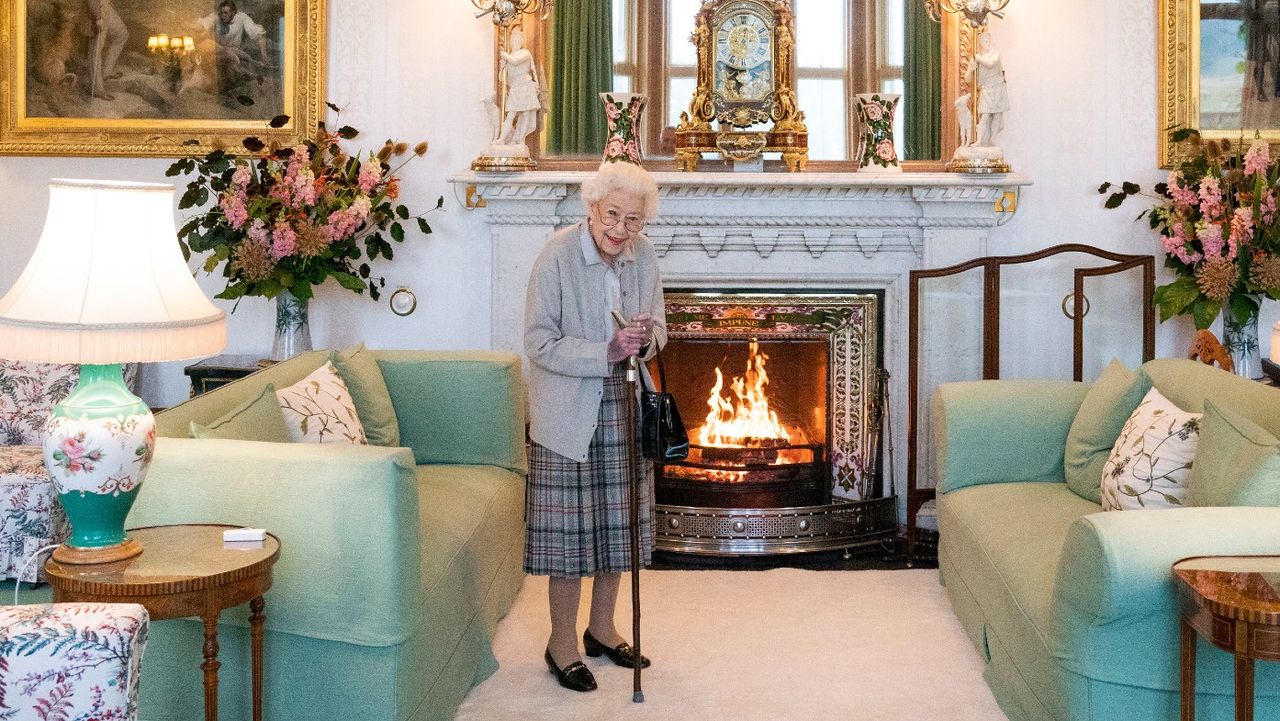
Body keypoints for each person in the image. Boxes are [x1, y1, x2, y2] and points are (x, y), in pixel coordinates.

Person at [523, 161, 665, 693]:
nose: (620, 230)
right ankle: (561, 643)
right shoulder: (557, 255)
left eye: (633, 220)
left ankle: (601, 629)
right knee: (570, 538)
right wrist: (605, 350)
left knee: (616, 527)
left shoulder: (643, 255)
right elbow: (538, 342)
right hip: (567, 410)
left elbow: (661, 330)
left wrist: (644, 338)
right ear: (591, 207)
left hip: (625, 402)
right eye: (612, 215)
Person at [197, 0, 270, 106]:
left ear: (234, 12)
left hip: (236, 55)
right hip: (217, 54)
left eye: (226, 13)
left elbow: (259, 36)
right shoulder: (217, 16)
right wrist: (200, 29)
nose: (222, 16)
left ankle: (252, 79)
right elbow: (202, 24)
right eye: (221, 13)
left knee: (240, 64)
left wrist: (264, 55)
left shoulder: (242, 18)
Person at [496, 27, 543, 145]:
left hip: (525, 86)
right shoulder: (509, 57)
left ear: (521, 42)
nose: (514, 43)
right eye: (512, 41)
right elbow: (502, 79)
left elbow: (515, 61)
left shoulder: (525, 53)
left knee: (526, 113)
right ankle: (501, 139)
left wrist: (505, 56)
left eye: (517, 41)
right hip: (515, 88)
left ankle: (520, 139)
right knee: (511, 114)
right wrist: (502, 67)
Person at [967, 32, 1009, 147]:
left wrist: (978, 58)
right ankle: (979, 141)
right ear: (980, 43)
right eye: (986, 41)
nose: (988, 42)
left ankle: (993, 139)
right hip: (986, 89)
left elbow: (990, 64)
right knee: (984, 115)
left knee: (996, 115)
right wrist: (970, 69)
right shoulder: (977, 58)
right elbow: (967, 79)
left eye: (989, 40)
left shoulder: (995, 54)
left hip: (997, 87)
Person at [83, 0, 127, 100]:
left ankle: (106, 71)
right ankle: (96, 88)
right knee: (96, 51)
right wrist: (98, 17)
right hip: (97, 10)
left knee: (122, 34)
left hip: (106, 7)